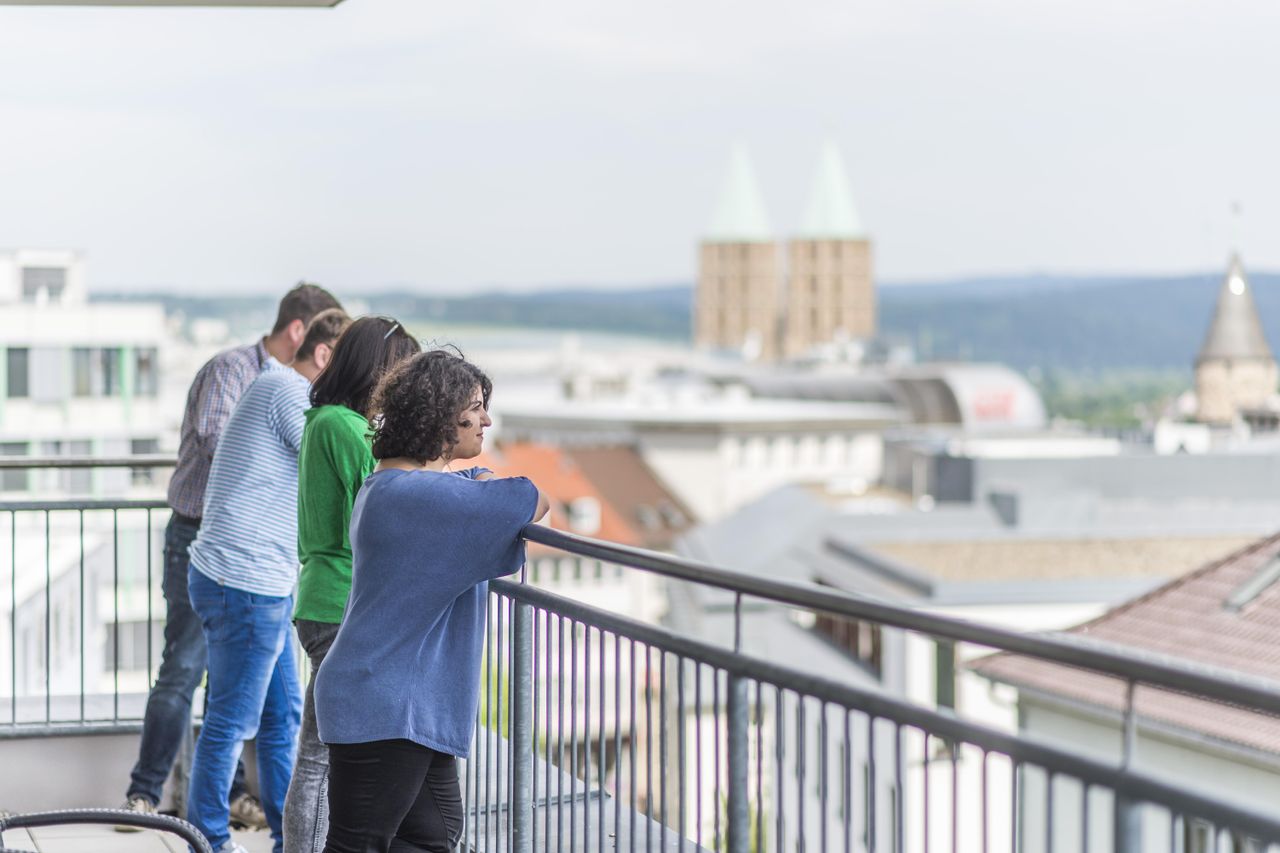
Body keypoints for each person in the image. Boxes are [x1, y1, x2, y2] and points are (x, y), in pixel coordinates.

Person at [121, 283, 342, 828]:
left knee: (262, 704)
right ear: (304, 335)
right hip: (212, 547)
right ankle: (153, 798)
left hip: (257, 561)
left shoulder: (283, 389)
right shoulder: (242, 375)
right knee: (190, 676)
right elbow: (228, 454)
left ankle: (257, 818)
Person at [313, 349, 548, 853]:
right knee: (358, 845)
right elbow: (530, 497)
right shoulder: (417, 498)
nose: (486, 419)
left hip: (395, 700)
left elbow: (475, 488)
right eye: (477, 406)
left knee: (430, 838)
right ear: (441, 413)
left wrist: (477, 478)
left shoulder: (392, 487)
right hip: (387, 705)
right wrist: (485, 479)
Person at [186, 309, 351, 853]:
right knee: (231, 722)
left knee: (281, 719)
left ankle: (289, 841)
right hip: (246, 583)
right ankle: (208, 840)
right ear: (325, 357)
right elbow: (337, 462)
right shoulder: (289, 392)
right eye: (350, 364)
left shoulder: (278, 386)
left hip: (260, 582)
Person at [282, 317, 420, 853]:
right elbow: (384, 509)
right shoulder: (346, 428)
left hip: (322, 596)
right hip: (343, 602)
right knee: (322, 755)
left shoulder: (322, 420)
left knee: (323, 752)